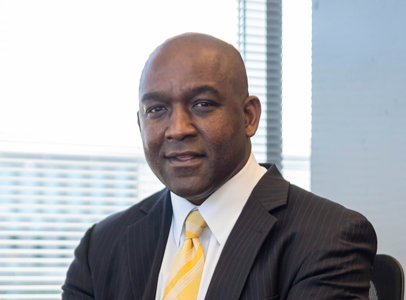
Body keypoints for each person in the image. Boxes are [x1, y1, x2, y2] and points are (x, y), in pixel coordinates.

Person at [62, 33, 377, 300]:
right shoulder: (101, 246)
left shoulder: (327, 237)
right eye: (157, 109)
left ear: (249, 116)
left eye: (202, 105)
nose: (177, 129)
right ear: (140, 124)